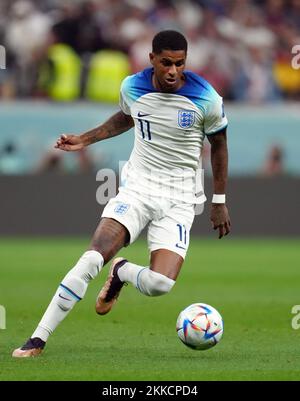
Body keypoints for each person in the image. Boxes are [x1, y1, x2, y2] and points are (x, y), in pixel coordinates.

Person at [12, 30, 231, 358]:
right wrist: (86, 139)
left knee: (161, 285)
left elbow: (219, 145)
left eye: (180, 64)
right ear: (152, 59)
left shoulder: (207, 98)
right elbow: (127, 118)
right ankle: (37, 339)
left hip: (180, 198)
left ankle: (122, 272)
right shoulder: (132, 86)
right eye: (167, 63)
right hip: (138, 188)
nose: (173, 71)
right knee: (91, 258)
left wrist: (219, 201)